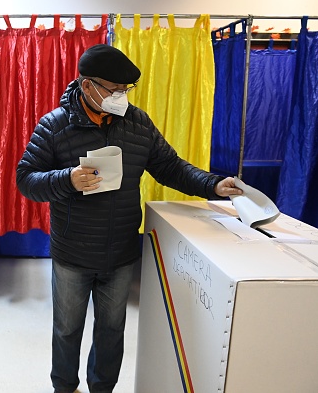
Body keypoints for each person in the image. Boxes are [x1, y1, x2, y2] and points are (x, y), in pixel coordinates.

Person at [16, 44, 242, 393]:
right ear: (86, 84)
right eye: (113, 89)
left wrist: (213, 184)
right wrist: (67, 179)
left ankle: (102, 388)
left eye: (125, 90)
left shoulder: (137, 123)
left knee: (111, 330)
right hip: (73, 253)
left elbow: (171, 167)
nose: (120, 96)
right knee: (66, 328)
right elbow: (26, 180)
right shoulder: (54, 126)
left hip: (120, 252)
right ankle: (64, 387)